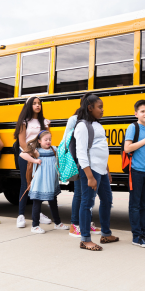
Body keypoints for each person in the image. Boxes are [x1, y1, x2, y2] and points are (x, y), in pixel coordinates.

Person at [75, 94, 119, 251]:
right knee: (87, 203)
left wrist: (106, 170)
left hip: (101, 169)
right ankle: (85, 239)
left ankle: (106, 233)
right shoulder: (82, 126)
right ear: (89, 108)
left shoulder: (97, 125)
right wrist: (89, 176)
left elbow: (101, 148)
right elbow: (81, 153)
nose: (102, 110)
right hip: (90, 170)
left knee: (107, 200)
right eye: (99, 107)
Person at [60, 93, 101, 238]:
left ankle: (85, 223)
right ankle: (74, 225)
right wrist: (74, 161)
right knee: (80, 194)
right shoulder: (74, 119)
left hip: (89, 161)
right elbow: (67, 140)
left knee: (88, 195)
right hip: (78, 161)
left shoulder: (92, 120)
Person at [13, 96, 52, 228]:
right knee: (26, 184)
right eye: (34, 103)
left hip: (40, 157)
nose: (37, 105)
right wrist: (34, 154)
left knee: (38, 185)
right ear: (29, 105)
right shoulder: (24, 122)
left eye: (39, 103)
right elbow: (22, 142)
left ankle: (38, 213)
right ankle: (21, 215)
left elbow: (47, 139)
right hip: (26, 156)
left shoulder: (45, 122)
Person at [20, 130, 69, 233]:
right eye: (45, 139)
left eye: (49, 139)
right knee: (37, 203)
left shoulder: (53, 149)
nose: (48, 141)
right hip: (40, 182)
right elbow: (22, 154)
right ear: (39, 141)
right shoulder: (36, 151)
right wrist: (34, 160)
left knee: (53, 202)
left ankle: (58, 223)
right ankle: (35, 226)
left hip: (51, 181)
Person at [124, 99, 145, 248]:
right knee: (135, 205)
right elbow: (127, 148)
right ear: (136, 113)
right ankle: (136, 236)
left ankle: (143, 232)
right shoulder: (133, 127)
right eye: (142, 111)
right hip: (136, 171)